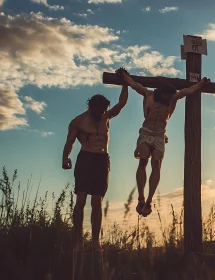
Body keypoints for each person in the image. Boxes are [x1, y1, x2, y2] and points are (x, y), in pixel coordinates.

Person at [121, 72, 211, 217]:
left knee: (156, 163)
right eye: (166, 96)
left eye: (170, 97)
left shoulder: (172, 99)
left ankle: (149, 199)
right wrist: (125, 76)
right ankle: (141, 197)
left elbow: (188, 90)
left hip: (159, 135)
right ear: (160, 93)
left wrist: (201, 83)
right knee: (143, 160)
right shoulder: (149, 95)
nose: (168, 99)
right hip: (146, 132)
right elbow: (134, 85)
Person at [62, 68, 129, 251]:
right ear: (91, 108)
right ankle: (77, 242)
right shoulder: (78, 121)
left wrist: (125, 81)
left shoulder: (106, 117)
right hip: (86, 158)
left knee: (97, 201)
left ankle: (95, 242)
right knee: (81, 199)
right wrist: (65, 158)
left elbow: (122, 103)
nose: (102, 114)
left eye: (104, 111)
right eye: (100, 111)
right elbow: (69, 142)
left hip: (102, 160)